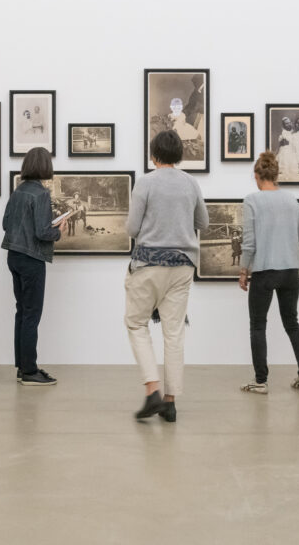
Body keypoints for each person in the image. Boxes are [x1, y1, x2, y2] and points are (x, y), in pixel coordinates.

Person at [124, 129, 208, 422]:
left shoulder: (145, 183)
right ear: (179, 155)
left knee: (136, 324)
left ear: (153, 154)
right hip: (183, 265)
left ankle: (152, 391)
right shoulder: (191, 183)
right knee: (174, 332)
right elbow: (203, 222)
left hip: (148, 265)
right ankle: (170, 402)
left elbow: (133, 229)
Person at [238, 151, 299, 394]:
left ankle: (261, 381)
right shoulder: (291, 199)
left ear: (257, 176)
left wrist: (243, 271)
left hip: (264, 271)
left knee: (258, 325)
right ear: (276, 175)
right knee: (292, 323)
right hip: (290, 271)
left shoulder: (252, 201)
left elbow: (249, 244)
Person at [2, 147, 66, 387]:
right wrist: (58, 228)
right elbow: (42, 232)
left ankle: (22, 367)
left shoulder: (18, 191)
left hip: (14, 257)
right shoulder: (40, 194)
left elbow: (5, 223)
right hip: (31, 259)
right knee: (31, 314)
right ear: (45, 166)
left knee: (22, 311)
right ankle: (29, 371)